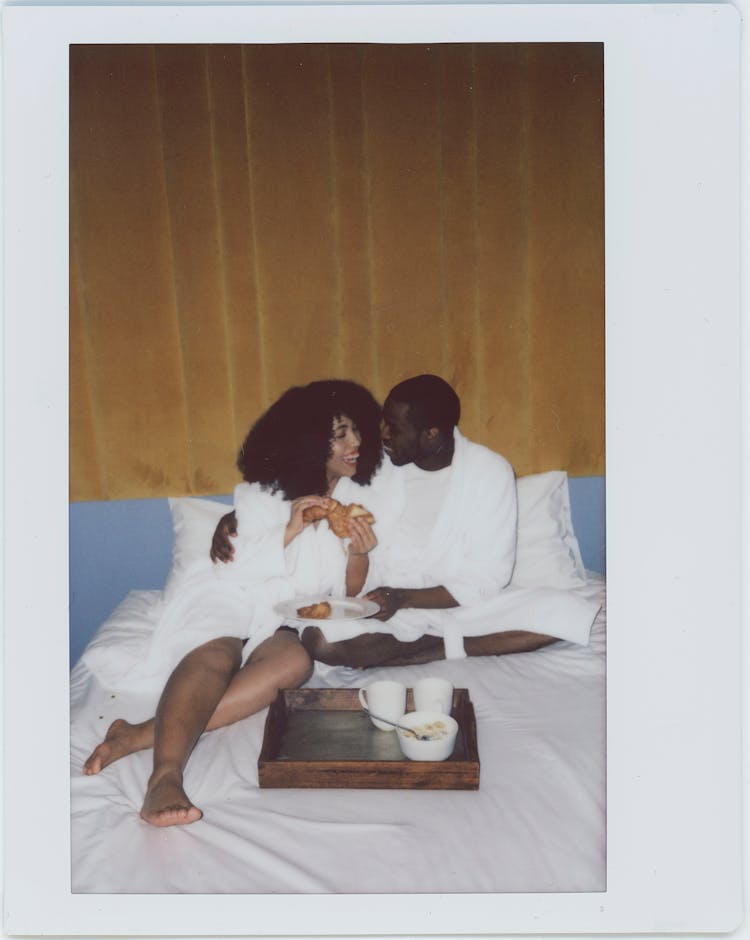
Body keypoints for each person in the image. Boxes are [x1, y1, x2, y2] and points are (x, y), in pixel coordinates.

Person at [82, 379, 382, 827]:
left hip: (280, 618)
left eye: (357, 432)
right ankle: (164, 777)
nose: (355, 443)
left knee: (295, 665)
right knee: (219, 653)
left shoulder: (357, 500)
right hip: (226, 592)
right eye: (340, 434)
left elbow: (344, 594)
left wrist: (359, 553)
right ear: (310, 439)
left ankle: (138, 733)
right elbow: (234, 568)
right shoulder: (262, 494)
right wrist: (290, 529)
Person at [212, 375, 600, 669]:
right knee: (320, 640)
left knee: (565, 610)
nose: (379, 436)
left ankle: (442, 645)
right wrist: (235, 516)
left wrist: (407, 598)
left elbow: (490, 576)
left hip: (455, 602)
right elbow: (313, 486)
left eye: (394, 429)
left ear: (432, 434)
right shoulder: (380, 465)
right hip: (378, 605)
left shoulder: (489, 472)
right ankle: (456, 644)